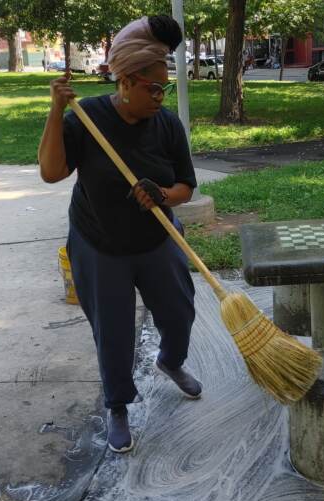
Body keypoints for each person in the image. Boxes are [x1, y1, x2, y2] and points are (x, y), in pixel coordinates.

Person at [37, 15, 201, 454]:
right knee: (113, 332)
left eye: (164, 88)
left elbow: (186, 186)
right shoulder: (87, 117)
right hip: (100, 243)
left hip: (157, 238)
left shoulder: (166, 124)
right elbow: (52, 172)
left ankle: (170, 361)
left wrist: (162, 194)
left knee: (180, 313)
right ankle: (117, 405)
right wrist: (56, 110)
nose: (160, 97)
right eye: (153, 88)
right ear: (126, 82)